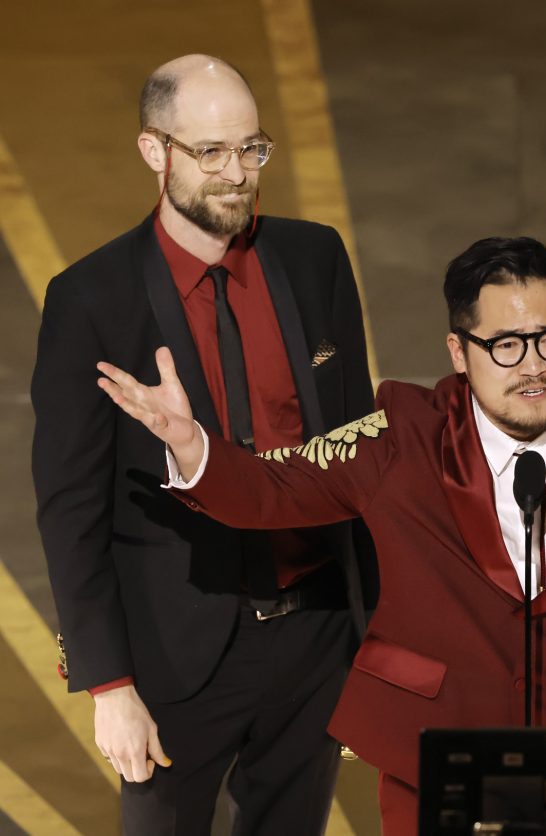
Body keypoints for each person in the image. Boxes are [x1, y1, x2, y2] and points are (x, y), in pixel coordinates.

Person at [97, 236, 546, 836]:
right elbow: (273, 489)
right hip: (439, 766)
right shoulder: (401, 440)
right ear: (459, 352)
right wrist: (190, 444)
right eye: (506, 345)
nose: (533, 366)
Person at [31, 54, 376, 836]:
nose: (237, 174)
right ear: (154, 151)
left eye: (252, 148)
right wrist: (109, 686)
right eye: (211, 151)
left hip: (317, 634)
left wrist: (375, 635)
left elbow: (358, 454)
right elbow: (70, 508)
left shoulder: (315, 259)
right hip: (171, 655)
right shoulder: (91, 299)